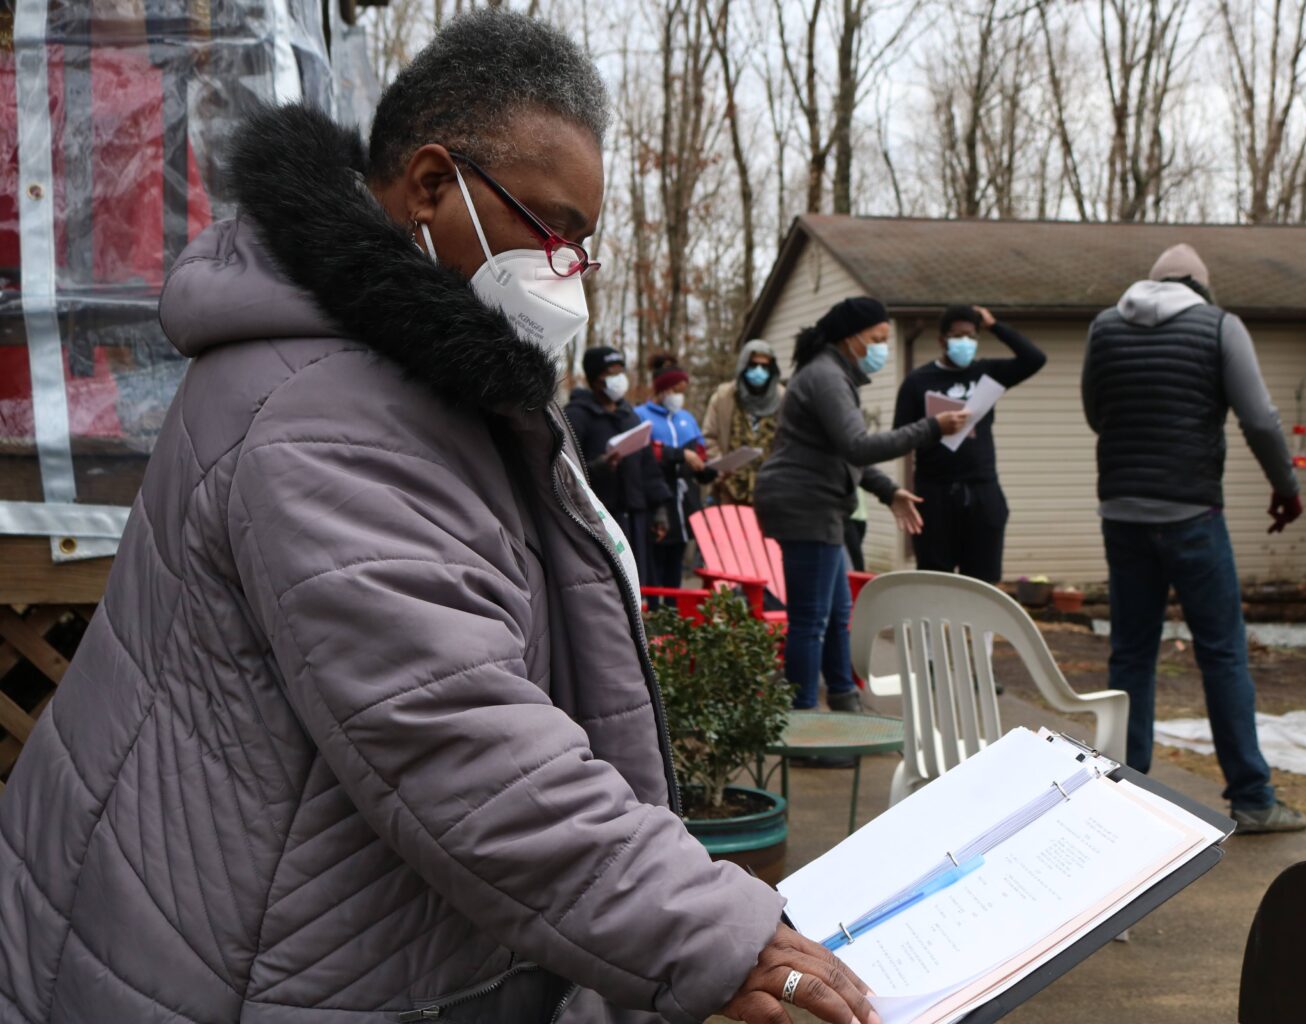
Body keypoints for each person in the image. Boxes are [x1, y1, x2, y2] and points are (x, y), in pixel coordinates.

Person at [0, 13, 880, 1024]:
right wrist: (716, 934)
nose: (567, 271)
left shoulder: (421, 383)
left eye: (583, 245)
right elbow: (456, 729)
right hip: (224, 964)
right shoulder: (323, 413)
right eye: (551, 228)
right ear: (428, 184)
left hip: (304, 929)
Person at [1082, 243, 1306, 835]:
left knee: (1131, 653)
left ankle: (1122, 791)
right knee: (1222, 652)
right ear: (1202, 288)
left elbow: (1095, 412)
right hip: (1191, 513)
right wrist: (1286, 486)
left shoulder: (1104, 328)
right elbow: (1259, 418)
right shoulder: (1219, 327)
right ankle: (1253, 799)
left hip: (1123, 512)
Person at [756, 296, 969, 712]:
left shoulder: (833, 373)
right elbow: (857, 445)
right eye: (877, 339)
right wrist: (931, 427)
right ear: (850, 337)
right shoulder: (826, 377)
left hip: (818, 504)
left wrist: (889, 491)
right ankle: (801, 716)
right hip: (805, 505)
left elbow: (841, 452)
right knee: (810, 620)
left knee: (838, 614)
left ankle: (843, 697)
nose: (882, 349)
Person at [893, 304, 1047, 582]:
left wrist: (994, 326)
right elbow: (898, 437)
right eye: (958, 336)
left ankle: (978, 628)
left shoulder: (986, 373)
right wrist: (934, 428)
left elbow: (1034, 359)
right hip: (936, 491)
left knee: (983, 580)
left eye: (971, 336)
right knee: (935, 578)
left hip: (982, 489)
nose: (965, 342)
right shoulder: (918, 381)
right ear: (942, 340)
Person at [565, 345, 672, 589]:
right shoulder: (577, 417)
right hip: (599, 520)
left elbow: (648, 467)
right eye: (610, 373)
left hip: (635, 518)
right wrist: (598, 467)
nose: (618, 379)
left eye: (620, 371)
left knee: (635, 586)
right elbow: (565, 470)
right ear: (595, 379)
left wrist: (659, 509)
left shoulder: (630, 417)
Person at [637, 353, 716, 592]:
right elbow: (644, 453)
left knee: (676, 568)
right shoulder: (641, 416)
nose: (679, 397)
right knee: (655, 566)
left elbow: (700, 455)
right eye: (676, 390)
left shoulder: (687, 419)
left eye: (683, 391)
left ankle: (674, 613)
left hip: (685, 504)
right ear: (663, 390)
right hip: (659, 504)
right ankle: (655, 614)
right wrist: (678, 454)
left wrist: (710, 471)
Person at [700, 339, 783, 506]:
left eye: (764, 367)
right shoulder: (724, 398)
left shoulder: (783, 399)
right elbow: (708, 437)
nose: (759, 371)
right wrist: (721, 464)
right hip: (730, 490)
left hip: (771, 490)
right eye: (753, 365)